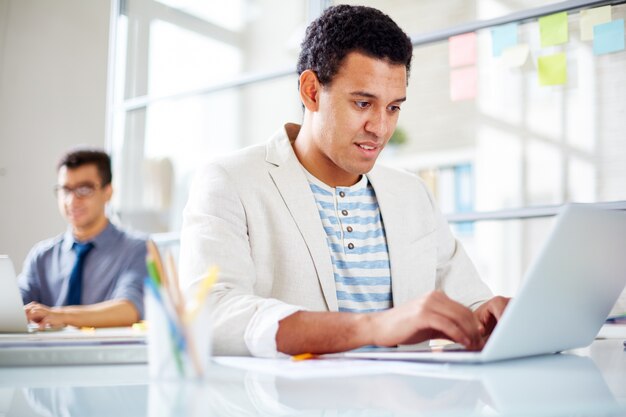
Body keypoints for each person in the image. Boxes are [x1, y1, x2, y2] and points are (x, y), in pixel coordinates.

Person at [179, 5, 509, 357]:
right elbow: (210, 313)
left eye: (393, 107)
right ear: (310, 91)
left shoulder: (411, 193)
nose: (380, 128)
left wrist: (486, 314)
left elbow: (469, 300)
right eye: (363, 103)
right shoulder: (231, 181)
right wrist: (373, 325)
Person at [18, 148, 147, 329]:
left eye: (84, 189)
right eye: (65, 189)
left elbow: (129, 309)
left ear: (108, 192)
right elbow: (13, 308)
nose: (72, 200)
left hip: (107, 356)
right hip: (44, 356)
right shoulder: (42, 256)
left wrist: (58, 315)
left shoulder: (138, 249)